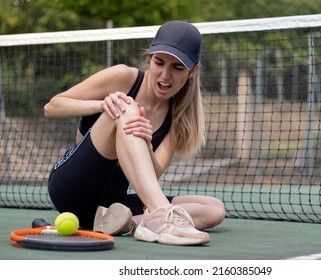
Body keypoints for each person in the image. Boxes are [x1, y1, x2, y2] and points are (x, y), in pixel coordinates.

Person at [44, 20, 225, 246]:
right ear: (149, 58)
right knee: (126, 107)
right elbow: (52, 107)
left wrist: (147, 145)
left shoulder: (179, 117)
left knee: (214, 209)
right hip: (72, 188)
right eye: (159, 62)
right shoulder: (123, 77)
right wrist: (102, 105)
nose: (165, 75)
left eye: (177, 68)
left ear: (192, 71)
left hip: (112, 206)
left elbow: (152, 175)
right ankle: (159, 215)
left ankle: (128, 223)